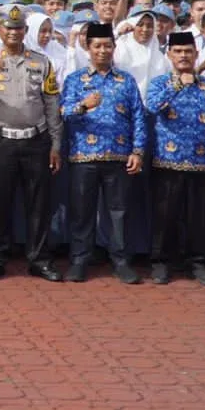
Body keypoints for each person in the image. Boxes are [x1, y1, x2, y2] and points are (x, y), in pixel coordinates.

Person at [0, 4, 64, 282]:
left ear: (25, 31)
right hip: (2, 141)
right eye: (8, 28)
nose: (14, 32)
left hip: (36, 140)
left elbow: (52, 104)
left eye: (19, 27)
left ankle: (40, 259)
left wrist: (56, 144)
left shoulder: (41, 62)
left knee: (39, 204)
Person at [59, 22, 145, 284]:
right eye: (97, 46)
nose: (103, 51)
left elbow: (138, 117)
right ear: (88, 48)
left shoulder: (126, 80)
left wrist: (138, 151)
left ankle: (120, 261)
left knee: (118, 213)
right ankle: (79, 260)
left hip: (118, 157)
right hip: (84, 156)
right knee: (82, 212)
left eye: (107, 45)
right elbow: (63, 113)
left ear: (114, 47)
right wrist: (83, 106)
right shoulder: (76, 80)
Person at [142, 32, 205, 286]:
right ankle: (161, 262)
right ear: (169, 55)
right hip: (166, 161)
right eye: (177, 51)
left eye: (188, 51)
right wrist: (179, 84)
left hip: (201, 163)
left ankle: (197, 263)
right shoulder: (160, 83)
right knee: (165, 216)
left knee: (198, 217)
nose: (183, 56)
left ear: (196, 54)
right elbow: (152, 106)